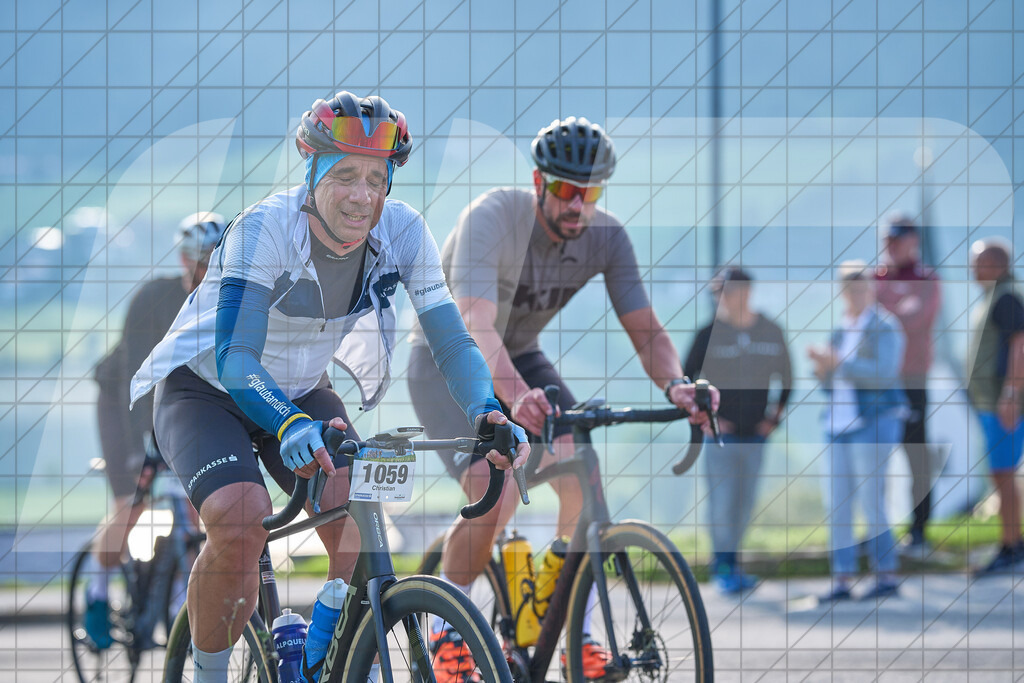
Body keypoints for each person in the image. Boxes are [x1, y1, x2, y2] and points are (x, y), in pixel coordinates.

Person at [129, 92, 527, 683]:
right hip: (207, 389)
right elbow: (236, 357)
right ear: (311, 170)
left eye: (375, 177)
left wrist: (486, 412)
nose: (361, 196)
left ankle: (325, 647)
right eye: (344, 176)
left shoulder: (405, 231)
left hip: (300, 389)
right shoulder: (263, 228)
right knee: (242, 518)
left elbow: (450, 341)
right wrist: (288, 424)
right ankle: (208, 673)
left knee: (358, 509)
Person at [406, 116, 718, 681]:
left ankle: (569, 618)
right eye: (567, 191)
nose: (579, 205)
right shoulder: (492, 218)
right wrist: (516, 398)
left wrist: (678, 385)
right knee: (492, 490)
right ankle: (446, 632)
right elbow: (474, 323)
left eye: (591, 193)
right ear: (538, 182)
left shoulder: (607, 237)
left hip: (520, 352)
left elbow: (646, 330)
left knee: (580, 469)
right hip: (445, 359)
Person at [85, 212, 227, 649]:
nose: (206, 272)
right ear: (185, 261)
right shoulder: (154, 298)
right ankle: (96, 592)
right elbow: (134, 375)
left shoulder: (224, 299)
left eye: (215, 262)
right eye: (200, 262)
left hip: (174, 404)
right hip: (121, 401)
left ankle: (180, 604)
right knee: (132, 502)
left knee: (193, 507)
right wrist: (138, 450)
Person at [683, 267, 792, 595]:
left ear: (746, 292)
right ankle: (723, 567)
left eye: (726, 291)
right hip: (720, 435)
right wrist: (706, 416)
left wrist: (774, 418)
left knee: (745, 503)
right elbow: (685, 379)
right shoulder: (707, 334)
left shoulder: (770, 330)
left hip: (757, 434)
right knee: (723, 501)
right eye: (717, 293)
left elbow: (788, 377)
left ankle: (734, 563)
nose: (721, 298)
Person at [808, 261, 906, 601]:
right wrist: (821, 369)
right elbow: (830, 385)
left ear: (871, 289)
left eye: (860, 286)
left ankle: (886, 574)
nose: (855, 293)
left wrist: (839, 364)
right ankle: (842, 579)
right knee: (838, 504)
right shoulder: (840, 330)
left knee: (871, 500)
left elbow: (883, 375)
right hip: (837, 424)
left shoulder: (884, 327)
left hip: (873, 422)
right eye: (849, 287)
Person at [875, 214, 941, 555]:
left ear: (913, 242)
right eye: (887, 239)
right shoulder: (875, 277)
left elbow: (917, 321)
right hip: (877, 382)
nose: (891, 246)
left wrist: (890, 314)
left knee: (917, 457)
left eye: (898, 239)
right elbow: (868, 324)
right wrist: (898, 311)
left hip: (913, 380)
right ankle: (877, 532)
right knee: (873, 457)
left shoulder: (927, 278)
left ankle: (919, 532)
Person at [967, 237, 1024, 575]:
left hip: (1003, 402)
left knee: (1002, 472)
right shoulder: (993, 296)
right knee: (1001, 472)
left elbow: (1020, 344)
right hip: (990, 401)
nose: (972, 269)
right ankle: (1013, 542)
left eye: (978, 263)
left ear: (996, 264)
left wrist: (1012, 394)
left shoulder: (1006, 297)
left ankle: (1009, 545)